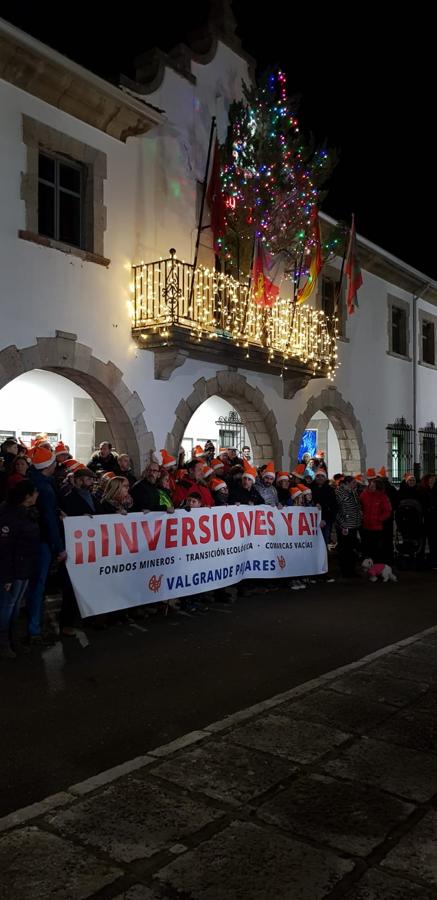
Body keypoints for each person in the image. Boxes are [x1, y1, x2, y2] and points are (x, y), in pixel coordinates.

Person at [26, 446, 66, 644]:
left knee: (34, 586)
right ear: (47, 466)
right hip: (42, 542)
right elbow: (49, 520)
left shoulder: (34, 481)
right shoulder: (45, 489)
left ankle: (33, 627)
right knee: (38, 586)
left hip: (34, 540)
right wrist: (59, 547)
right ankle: (34, 630)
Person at [0, 479, 40, 659]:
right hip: (14, 570)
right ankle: (4, 643)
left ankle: (12, 640)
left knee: (15, 606)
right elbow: (5, 548)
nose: (37, 495)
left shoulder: (26, 513)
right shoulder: (11, 516)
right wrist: (6, 577)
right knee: (7, 607)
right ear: (27, 497)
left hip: (24, 567)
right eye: (35, 492)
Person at [360, 477, 392, 561]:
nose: (371, 487)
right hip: (365, 525)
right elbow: (360, 505)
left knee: (376, 548)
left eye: (373, 486)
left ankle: (377, 565)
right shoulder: (364, 494)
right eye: (371, 485)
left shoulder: (383, 497)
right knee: (366, 547)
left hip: (377, 527)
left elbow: (387, 511)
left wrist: (379, 519)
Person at [335, 476, 362, 577]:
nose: (356, 484)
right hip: (345, 525)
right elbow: (338, 508)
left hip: (354, 524)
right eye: (354, 482)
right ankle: (345, 571)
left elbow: (356, 505)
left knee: (351, 548)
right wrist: (342, 523)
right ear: (347, 483)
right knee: (345, 549)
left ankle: (351, 569)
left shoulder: (353, 492)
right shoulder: (339, 492)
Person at [311, 471, 337, 546]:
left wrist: (326, 519)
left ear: (325, 478)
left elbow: (333, 506)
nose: (320, 478)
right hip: (312, 521)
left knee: (324, 541)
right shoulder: (310, 489)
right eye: (318, 476)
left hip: (325, 521)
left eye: (322, 476)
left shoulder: (330, 490)